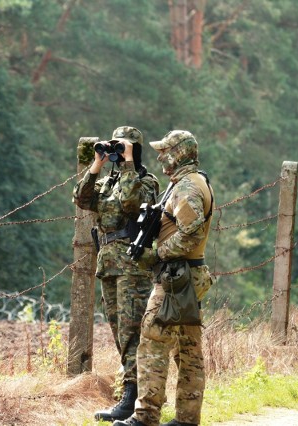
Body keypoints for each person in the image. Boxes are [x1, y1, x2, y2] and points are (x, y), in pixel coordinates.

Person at [114, 130, 215, 426]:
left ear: (178, 153)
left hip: (177, 276)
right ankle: (186, 419)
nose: (160, 157)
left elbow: (189, 234)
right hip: (187, 274)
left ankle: (145, 417)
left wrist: (158, 254)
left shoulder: (187, 187)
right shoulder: (188, 183)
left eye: (165, 151)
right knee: (188, 349)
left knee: (152, 342)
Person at [73, 126, 159, 422]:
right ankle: (131, 394)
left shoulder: (145, 180)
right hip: (109, 262)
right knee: (117, 331)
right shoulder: (107, 181)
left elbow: (130, 203)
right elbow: (82, 200)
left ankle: (133, 397)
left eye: (124, 147)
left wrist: (129, 163)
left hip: (133, 266)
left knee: (131, 331)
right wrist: (96, 164)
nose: (118, 153)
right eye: (117, 148)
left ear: (135, 149)